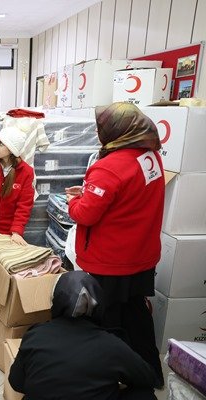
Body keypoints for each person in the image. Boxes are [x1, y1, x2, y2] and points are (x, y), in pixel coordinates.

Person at [65, 102, 165, 387]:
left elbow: (85, 214)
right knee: (137, 315)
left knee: (107, 321)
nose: (99, 133)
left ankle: (108, 380)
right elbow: (129, 198)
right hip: (141, 255)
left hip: (110, 261)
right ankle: (150, 374)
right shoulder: (150, 157)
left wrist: (74, 201)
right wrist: (90, 192)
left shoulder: (108, 167)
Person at [9, 271, 158, 400]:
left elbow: (16, 383)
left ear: (56, 301)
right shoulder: (112, 345)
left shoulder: (35, 335)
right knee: (145, 394)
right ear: (99, 305)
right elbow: (149, 378)